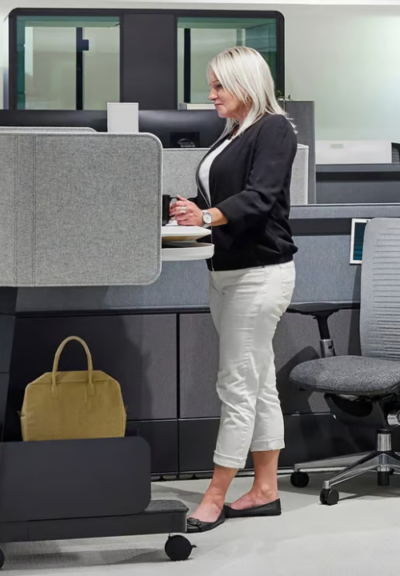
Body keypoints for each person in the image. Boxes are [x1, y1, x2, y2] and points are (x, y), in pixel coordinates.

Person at [170, 46, 298, 532]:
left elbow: (260, 198)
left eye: (219, 85)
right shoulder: (233, 132)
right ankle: (265, 489)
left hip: (260, 274)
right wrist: (190, 207)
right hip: (225, 272)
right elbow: (223, 197)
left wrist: (205, 215)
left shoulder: (274, 128)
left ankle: (215, 494)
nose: (211, 94)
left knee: (236, 384)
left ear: (246, 83)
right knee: (259, 382)